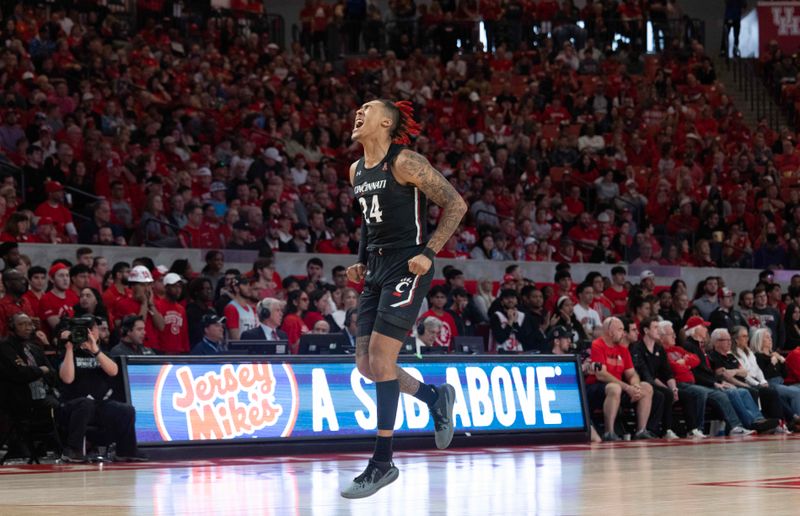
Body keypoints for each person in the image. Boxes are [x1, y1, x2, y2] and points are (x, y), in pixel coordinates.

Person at [341, 99, 466, 499]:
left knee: (380, 359)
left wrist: (428, 253)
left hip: (407, 264)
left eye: (366, 109)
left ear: (384, 122)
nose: (358, 113)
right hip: (376, 267)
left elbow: (456, 204)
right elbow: (368, 220)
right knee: (366, 365)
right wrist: (360, 261)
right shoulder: (356, 170)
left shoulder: (405, 161)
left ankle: (382, 462)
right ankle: (434, 396)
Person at [58, 316, 145, 462]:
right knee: (85, 404)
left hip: (97, 405)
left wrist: (95, 350)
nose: (89, 334)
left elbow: (114, 371)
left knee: (126, 410)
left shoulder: (100, 351)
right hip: (72, 406)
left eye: (91, 330)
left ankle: (126, 452)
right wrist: (69, 348)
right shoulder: (68, 351)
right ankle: (73, 450)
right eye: (86, 330)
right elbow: (67, 378)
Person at [584, 317, 659, 441]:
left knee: (646, 387)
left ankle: (641, 430)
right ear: (610, 331)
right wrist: (627, 387)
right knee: (615, 388)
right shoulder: (597, 345)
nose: (623, 333)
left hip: (619, 387)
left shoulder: (623, 349)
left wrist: (635, 386)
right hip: (596, 388)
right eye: (620, 330)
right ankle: (609, 432)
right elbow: (601, 374)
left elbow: (631, 374)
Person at [710, 328, 785, 430]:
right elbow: (725, 376)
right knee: (754, 391)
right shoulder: (714, 356)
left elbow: (744, 372)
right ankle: (752, 423)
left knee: (761, 391)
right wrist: (744, 383)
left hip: (745, 382)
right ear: (717, 343)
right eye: (726, 340)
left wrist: (736, 371)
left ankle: (762, 420)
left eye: (729, 340)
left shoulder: (731, 356)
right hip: (734, 384)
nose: (729, 342)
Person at [630, 316, 679, 438]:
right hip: (641, 382)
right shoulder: (637, 347)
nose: (659, 330)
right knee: (662, 394)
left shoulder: (659, 348)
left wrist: (673, 388)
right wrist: (664, 388)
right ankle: (652, 429)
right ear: (646, 331)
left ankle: (666, 430)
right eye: (655, 327)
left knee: (669, 393)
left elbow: (667, 371)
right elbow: (643, 373)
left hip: (653, 381)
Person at [752, 328, 800, 430]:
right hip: (770, 383)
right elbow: (763, 375)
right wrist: (772, 363)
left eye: (770, 337)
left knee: (793, 390)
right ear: (759, 340)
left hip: (781, 382)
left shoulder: (774, 355)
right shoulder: (757, 356)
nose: (770, 339)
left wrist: (782, 362)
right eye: (767, 337)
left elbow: (785, 374)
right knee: (797, 392)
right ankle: (797, 419)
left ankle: (791, 422)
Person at [112, 266, 165, 350]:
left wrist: (151, 305)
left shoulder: (155, 303)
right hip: (134, 349)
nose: (147, 288)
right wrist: (144, 304)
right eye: (142, 285)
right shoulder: (123, 303)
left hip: (153, 348)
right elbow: (139, 326)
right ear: (133, 286)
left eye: (148, 285)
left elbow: (161, 326)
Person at [489, 288, 544, 353]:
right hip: (499, 354)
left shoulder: (523, 316)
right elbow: (500, 338)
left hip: (519, 353)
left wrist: (515, 323)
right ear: (502, 302)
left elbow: (525, 339)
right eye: (506, 298)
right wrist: (510, 321)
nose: (510, 300)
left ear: (517, 301)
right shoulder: (496, 316)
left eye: (512, 298)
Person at [39, 263, 79, 333]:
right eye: (61, 276)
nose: (65, 279)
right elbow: (57, 326)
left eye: (67, 275)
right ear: (52, 279)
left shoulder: (72, 295)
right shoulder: (46, 299)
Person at [155, 273, 189, 354]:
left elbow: (184, 332)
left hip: (178, 352)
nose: (178, 290)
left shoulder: (181, 309)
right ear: (166, 287)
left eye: (179, 286)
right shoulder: (157, 305)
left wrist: (185, 350)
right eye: (174, 286)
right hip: (162, 351)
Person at [222, 275, 259, 340]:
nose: (249, 287)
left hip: (250, 348)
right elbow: (235, 338)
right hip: (238, 349)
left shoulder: (251, 309)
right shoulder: (231, 308)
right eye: (245, 285)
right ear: (236, 288)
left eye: (249, 285)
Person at [0, 269, 35, 336]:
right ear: (8, 283)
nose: (23, 282)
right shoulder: (2, 306)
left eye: (23, 279)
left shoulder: (26, 301)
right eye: (18, 280)